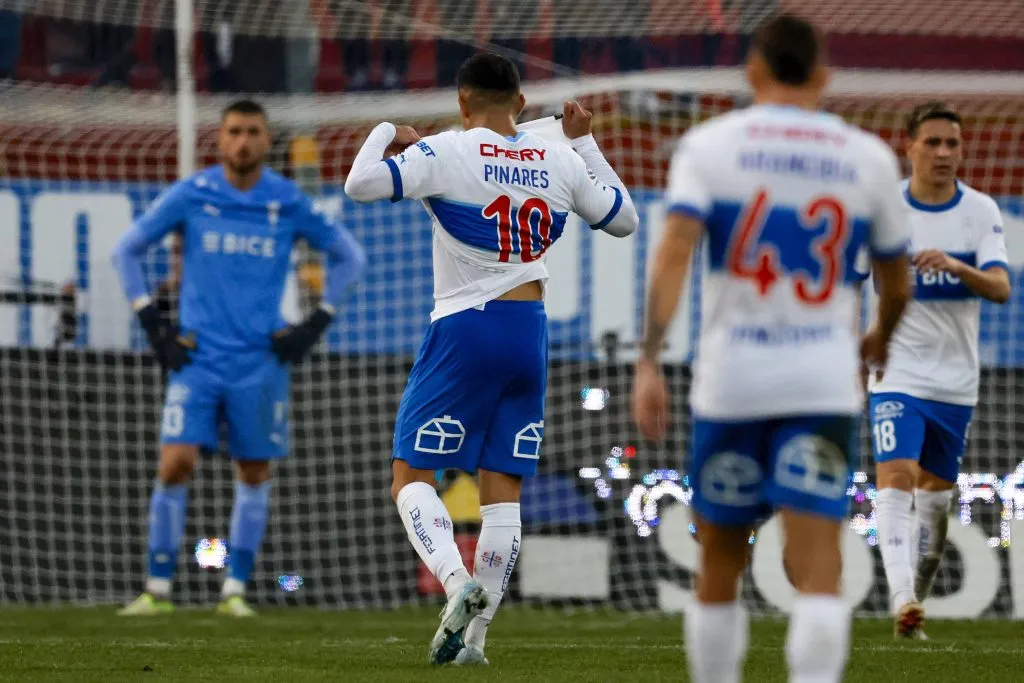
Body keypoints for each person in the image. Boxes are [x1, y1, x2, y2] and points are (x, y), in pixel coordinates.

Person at [632, 15, 911, 683]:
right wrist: (879, 336)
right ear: (824, 76)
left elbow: (673, 252)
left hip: (734, 380)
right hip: (821, 379)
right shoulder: (867, 157)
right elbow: (897, 283)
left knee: (720, 560)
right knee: (819, 564)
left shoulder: (709, 146)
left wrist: (648, 358)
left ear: (752, 72)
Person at [344, 52, 637, 665]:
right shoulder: (557, 156)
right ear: (522, 102)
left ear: (461, 101)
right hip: (530, 332)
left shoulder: (447, 150)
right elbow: (624, 219)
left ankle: (456, 583)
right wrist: (584, 146)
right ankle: (472, 645)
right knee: (503, 488)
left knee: (410, 475)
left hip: (465, 327)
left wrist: (388, 133)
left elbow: (360, 183)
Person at [112, 98, 366, 616]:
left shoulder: (286, 200)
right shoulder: (194, 193)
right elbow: (125, 251)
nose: (243, 140)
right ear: (221, 139)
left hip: (260, 362)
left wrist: (316, 321)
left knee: (252, 472)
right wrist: (151, 323)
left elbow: (351, 256)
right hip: (198, 358)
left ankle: (234, 591)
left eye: (252, 131)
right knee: (175, 463)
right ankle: (157, 590)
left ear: (265, 140)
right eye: (234, 131)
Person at [864, 102, 1010, 639]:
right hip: (897, 374)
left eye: (952, 143)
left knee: (935, 509)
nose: (944, 153)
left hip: (956, 384)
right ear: (910, 147)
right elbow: (848, 283)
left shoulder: (980, 210)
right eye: (933, 143)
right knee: (895, 478)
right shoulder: (885, 211)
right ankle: (903, 599)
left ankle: (915, 595)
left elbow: (1000, 288)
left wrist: (957, 265)